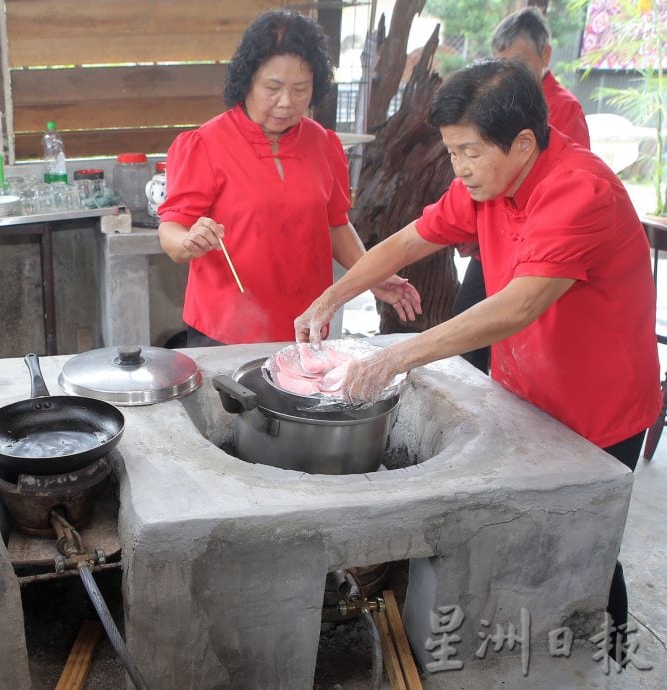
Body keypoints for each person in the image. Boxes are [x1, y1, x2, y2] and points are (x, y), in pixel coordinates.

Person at [294, 59, 661, 655]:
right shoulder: (490, 183)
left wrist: (396, 357)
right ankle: (530, 643)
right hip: (529, 393)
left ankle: (605, 654)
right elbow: (414, 237)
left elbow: (518, 306)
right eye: (452, 153)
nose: (459, 168)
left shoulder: (579, 191)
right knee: (530, 535)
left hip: (598, 409)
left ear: (523, 142)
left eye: (469, 152)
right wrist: (333, 294)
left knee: (584, 543)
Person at [157, 9, 420, 347]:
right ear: (247, 80)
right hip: (226, 330)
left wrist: (372, 276)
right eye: (273, 87)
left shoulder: (323, 143)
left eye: (300, 89)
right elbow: (171, 229)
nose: (286, 102)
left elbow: (336, 225)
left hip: (307, 321)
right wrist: (187, 243)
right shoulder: (205, 144)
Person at [455, 6, 591, 373]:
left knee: (511, 338)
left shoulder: (563, 109)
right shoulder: (496, 105)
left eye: (516, 63)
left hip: (536, 254)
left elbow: (561, 196)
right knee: (466, 330)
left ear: (545, 56)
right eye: (499, 64)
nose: (507, 75)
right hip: (492, 248)